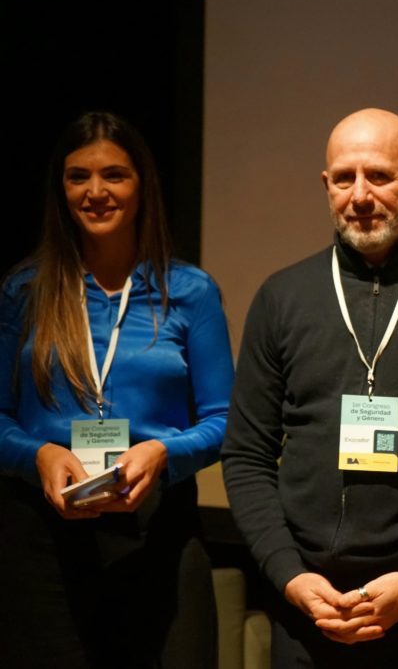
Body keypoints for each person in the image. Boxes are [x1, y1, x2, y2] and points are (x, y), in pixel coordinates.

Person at [221, 107, 398, 667]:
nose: (359, 195)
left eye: (379, 176)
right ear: (325, 184)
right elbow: (247, 456)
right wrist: (289, 576)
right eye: (343, 178)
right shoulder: (282, 297)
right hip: (308, 613)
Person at [0, 111, 234, 668]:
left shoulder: (190, 291)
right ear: (61, 189)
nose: (95, 192)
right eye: (78, 176)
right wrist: (40, 454)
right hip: (43, 541)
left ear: (142, 184)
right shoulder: (24, 291)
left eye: (114, 175)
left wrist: (162, 452)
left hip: (159, 532)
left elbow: (226, 420)